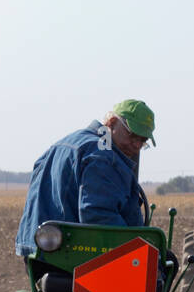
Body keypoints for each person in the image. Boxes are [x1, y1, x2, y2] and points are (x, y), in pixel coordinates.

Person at [15, 100, 156, 260]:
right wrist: (136, 251)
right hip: (71, 255)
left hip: (37, 251)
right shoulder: (103, 156)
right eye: (132, 135)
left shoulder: (66, 143)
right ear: (112, 122)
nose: (136, 145)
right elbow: (98, 215)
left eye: (142, 140)